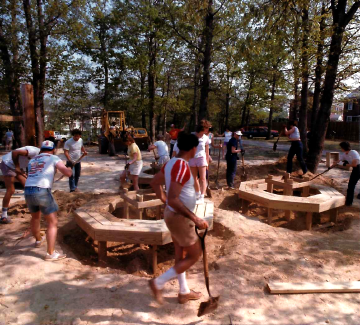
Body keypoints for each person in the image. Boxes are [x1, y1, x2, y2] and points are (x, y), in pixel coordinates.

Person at [149, 132, 208, 305]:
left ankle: (183, 292)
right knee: (195, 254)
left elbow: (155, 182)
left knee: (180, 253)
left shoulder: (170, 163)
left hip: (172, 215)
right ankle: (157, 283)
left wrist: (163, 200)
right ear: (194, 148)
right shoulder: (182, 166)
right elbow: (174, 198)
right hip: (180, 218)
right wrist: (195, 218)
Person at [25, 140, 72, 261]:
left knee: (35, 217)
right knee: (52, 223)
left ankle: (38, 240)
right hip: (42, 191)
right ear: (53, 149)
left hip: (28, 190)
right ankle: (50, 254)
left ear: (41, 149)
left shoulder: (32, 160)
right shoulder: (53, 158)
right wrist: (70, 167)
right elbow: (67, 173)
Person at [0, 145, 40, 224]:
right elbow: (15, 152)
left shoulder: (41, 157)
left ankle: (34, 208)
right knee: (11, 190)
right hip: (8, 164)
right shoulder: (34, 151)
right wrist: (17, 167)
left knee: (28, 186)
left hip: (18, 167)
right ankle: (4, 216)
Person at [189, 120, 211, 204]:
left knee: (203, 178)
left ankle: (202, 196)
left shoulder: (205, 138)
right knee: (194, 178)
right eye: (207, 128)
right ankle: (197, 194)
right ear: (202, 127)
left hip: (201, 158)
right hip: (192, 158)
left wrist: (207, 162)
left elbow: (207, 152)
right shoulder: (192, 136)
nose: (208, 130)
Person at [331, 142, 360, 206]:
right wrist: (331, 166)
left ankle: (349, 202)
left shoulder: (353, 152)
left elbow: (355, 164)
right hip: (356, 170)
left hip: (358, 168)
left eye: (341, 147)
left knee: (351, 186)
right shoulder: (345, 154)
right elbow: (338, 161)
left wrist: (343, 164)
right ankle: (348, 202)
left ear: (344, 147)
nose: (341, 149)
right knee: (350, 186)